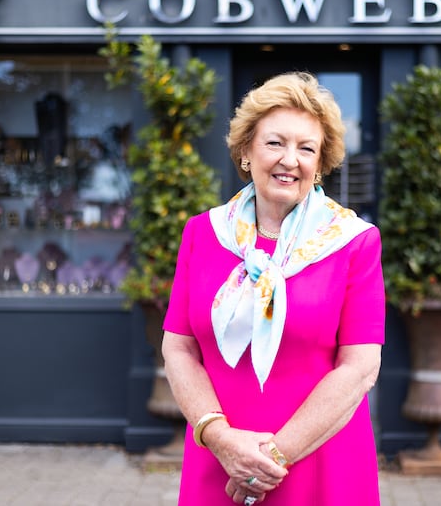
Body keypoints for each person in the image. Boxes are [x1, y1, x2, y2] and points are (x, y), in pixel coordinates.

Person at [161, 71, 385, 505]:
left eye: (306, 148)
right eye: (275, 143)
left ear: (320, 163)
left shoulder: (354, 241)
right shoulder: (203, 233)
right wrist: (221, 439)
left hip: (320, 462)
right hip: (220, 457)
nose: (290, 159)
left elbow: (359, 368)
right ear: (247, 150)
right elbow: (179, 348)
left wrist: (269, 461)